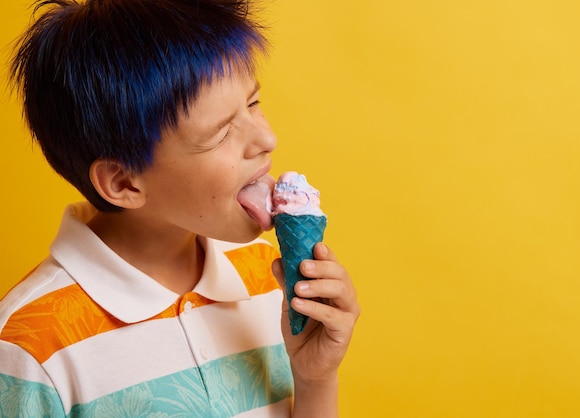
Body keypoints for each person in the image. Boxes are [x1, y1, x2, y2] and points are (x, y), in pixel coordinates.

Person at [0, 0, 360, 416]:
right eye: (222, 132)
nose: (266, 140)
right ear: (124, 182)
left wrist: (315, 379)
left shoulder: (269, 277)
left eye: (253, 103)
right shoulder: (30, 348)